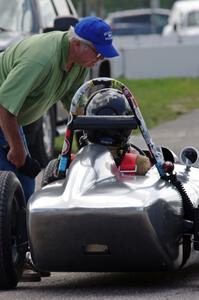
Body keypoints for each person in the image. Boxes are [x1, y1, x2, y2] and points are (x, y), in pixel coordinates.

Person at [0, 16, 119, 281]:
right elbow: (5, 106)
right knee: (8, 188)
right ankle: (7, 259)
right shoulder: (40, 59)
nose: (100, 57)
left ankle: (19, 255)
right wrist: (16, 148)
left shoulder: (79, 64)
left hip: (15, 119)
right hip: (3, 114)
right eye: (97, 51)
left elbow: (75, 108)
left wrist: (92, 148)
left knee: (27, 183)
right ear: (77, 44)